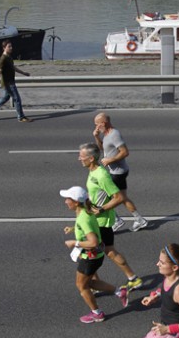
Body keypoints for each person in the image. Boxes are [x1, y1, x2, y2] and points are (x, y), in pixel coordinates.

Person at [79, 142, 143, 292]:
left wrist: (101, 209)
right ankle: (133, 279)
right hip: (96, 220)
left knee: (88, 252)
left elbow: (119, 197)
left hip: (100, 222)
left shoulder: (101, 175)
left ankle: (94, 284)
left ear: (91, 158)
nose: (79, 158)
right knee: (108, 251)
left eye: (82, 156)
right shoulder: (93, 171)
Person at [60, 186, 128, 324]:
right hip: (94, 256)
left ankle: (97, 313)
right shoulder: (86, 211)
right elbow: (90, 227)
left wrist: (74, 243)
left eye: (68, 199)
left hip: (90, 258)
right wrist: (74, 228)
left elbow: (93, 242)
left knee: (82, 286)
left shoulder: (83, 218)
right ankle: (119, 292)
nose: (65, 201)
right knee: (89, 282)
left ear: (76, 202)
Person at [92, 113, 149, 233]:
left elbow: (125, 152)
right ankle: (140, 220)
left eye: (97, 124)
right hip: (119, 171)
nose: (96, 127)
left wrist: (110, 160)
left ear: (103, 123)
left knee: (104, 198)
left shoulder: (114, 134)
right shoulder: (106, 134)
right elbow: (103, 148)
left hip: (117, 173)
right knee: (123, 198)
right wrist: (96, 137)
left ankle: (117, 220)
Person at [0, 40, 32, 122]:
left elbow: (13, 67)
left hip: (10, 82)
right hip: (8, 83)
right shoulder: (3, 59)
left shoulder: (9, 57)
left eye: (11, 46)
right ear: (4, 48)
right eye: (9, 46)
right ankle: (21, 117)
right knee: (17, 99)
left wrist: (23, 73)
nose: (11, 48)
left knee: (4, 98)